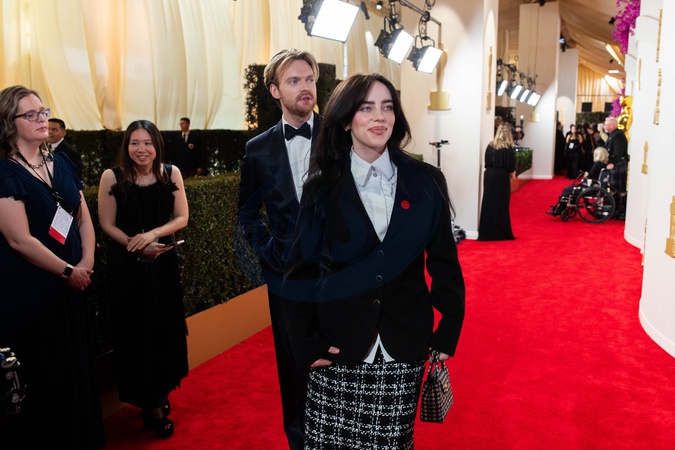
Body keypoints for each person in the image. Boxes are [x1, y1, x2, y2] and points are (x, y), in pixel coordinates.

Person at [280, 73, 465, 448]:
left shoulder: (426, 181)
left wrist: (448, 329)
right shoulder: (321, 186)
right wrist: (306, 343)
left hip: (404, 344)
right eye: (366, 108)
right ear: (346, 120)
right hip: (337, 346)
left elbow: (444, 262)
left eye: (387, 107)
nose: (380, 116)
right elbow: (300, 270)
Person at [0, 85, 104, 448]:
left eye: (43, 112)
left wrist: (86, 263)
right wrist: (68, 271)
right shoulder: (5, 172)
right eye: (30, 114)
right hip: (34, 291)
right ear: (9, 122)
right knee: (48, 374)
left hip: (75, 285)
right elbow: (19, 240)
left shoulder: (62, 163)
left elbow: (83, 218)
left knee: (77, 367)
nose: (42, 119)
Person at [236, 48, 321, 449]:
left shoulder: (341, 137)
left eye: (310, 79)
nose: (305, 87)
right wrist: (267, 252)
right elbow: (247, 213)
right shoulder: (257, 149)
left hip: (341, 272)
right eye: (294, 81)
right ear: (274, 90)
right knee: (293, 365)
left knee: (346, 358)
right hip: (285, 276)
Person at [97, 120, 189, 438]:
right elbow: (106, 224)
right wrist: (136, 244)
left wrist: (152, 235)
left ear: (157, 145)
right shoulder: (112, 177)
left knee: (164, 329)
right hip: (128, 267)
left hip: (162, 264)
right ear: (126, 146)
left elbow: (182, 217)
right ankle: (151, 407)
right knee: (138, 334)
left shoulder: (170, 173)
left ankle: (159, 394)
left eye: (147, 143)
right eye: (135, 143)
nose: (141, 149)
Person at [478, 124, 516, 241]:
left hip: (489, 175)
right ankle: (500, 232)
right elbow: (510, 166)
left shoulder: (490, 146)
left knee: (488, 203)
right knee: (501, 204)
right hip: (501, 176)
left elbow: (486, 162)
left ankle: (487, 232)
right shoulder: (508, 148)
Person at [603, 116, 629, 218]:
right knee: (615, 189)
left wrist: (613, 163)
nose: (605, 126)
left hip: (619, 164)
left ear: (612, 125)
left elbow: (618, 151)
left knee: (620, 190)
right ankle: (616, 210)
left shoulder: (618, 135)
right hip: (616, 164)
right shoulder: (613, 134)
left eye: (606, 125)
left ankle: (621, 212)